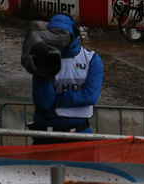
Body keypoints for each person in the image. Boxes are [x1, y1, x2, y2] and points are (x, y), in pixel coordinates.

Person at [30, 14, 103, 144]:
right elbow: (43, 102)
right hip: (46, 137)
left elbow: (90, 96)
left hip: (79, 137)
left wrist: (56, 101)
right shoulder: (44, 59)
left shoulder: (91, 59)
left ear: (74, 33)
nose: (58, 39)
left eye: (62, 34)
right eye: (54, 34)